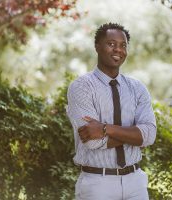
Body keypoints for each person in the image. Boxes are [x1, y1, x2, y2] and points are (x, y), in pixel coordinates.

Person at [67, 22, 156, 200]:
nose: (118, 50)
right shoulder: (82, 87)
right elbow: (91, 142)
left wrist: (106, 129)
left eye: (123, 45)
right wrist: (133, 135)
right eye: (111, 44)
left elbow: (149, 135)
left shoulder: (137, 88)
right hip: (98, 184)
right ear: (97, 47)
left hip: (135, 183)